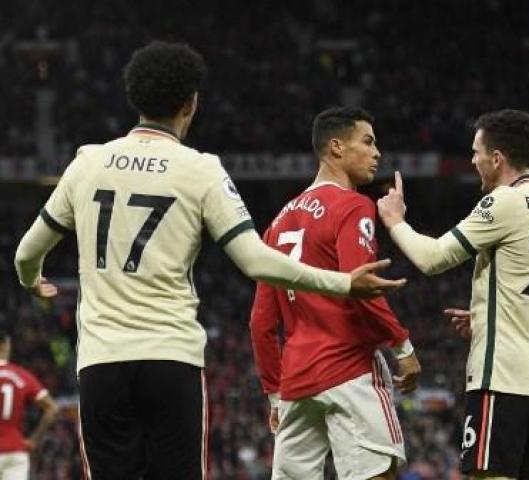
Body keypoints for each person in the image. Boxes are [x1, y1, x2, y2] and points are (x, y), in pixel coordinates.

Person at [13, 41, 404, 480]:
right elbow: (256, 261)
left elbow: (26, 252)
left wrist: (33, 280)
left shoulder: (87, 163)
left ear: (134, 97)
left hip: (101, 362)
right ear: (190, 104)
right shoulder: (200, 169)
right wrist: (343, 283)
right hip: (171, 359)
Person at [378, 109, 529, 480]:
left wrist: (396, 221)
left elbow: (433, 258)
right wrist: (500, 317)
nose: (472, 160)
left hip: (501, 376)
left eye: (476, 151)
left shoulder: (504, 201)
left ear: (497, 158)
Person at [250, 106, 421, 480]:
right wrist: (402, 346)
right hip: (349, 370)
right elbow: (361, 285)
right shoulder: (353, 205)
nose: (377, 153)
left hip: (296, 383)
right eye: (368, 141)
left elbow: (261, 322)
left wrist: (275, 394)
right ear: (336, 147)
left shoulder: (277, 224)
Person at [0, 327, 59, 480]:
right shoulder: (22, 375)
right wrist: (34, 440)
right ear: (6, 345)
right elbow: (52, 409)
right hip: (15, 451)